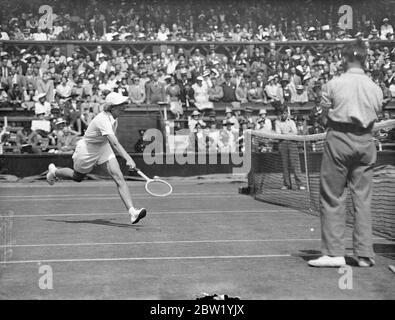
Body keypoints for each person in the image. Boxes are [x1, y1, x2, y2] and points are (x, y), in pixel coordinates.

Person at [308, 39, 383, 268]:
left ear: (344, 58)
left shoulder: (333, 84)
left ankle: (333, 253)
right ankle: (364, 255)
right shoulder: (375, 87)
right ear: (364, 58)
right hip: (366, 140)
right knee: (362, 198)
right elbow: (377, 110)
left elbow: (323, 115)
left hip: (339, 138)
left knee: (332, 195)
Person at [46, 92, 147, 225]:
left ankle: (132, 212)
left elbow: (110, 142)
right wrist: (128, 158)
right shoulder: (103, 120)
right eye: (121, 104)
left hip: (103, 147)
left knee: (119, 177)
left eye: (124, 104)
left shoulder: (114, 118)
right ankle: (54, 172)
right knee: (77, 177)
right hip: (87, 150)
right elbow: (115, 143)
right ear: (112, 107)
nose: (124, 106)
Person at [275, 108, 305, 190]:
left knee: (295, 165)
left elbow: (295, 132)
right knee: (284, 165)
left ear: (287, 114)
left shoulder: (291, 122)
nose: (283, 115)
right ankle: (287, 184)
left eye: (284, 113)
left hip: (292, 143)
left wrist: (285, 134)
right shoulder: (277, 122)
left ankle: (300, 184)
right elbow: (278, 134)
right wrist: (288, 134)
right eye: (281, 113)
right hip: (282, 144)